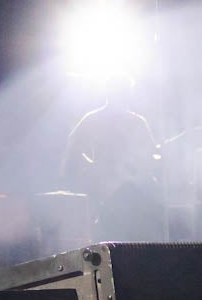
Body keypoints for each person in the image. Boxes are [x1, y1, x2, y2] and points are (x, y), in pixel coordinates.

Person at [59, 74, 162, 240]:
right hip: (105, 196)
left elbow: (151, 155)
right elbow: (73, 152)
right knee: (109, 240)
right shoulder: (94, 120)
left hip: (130, 193)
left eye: (123, 90)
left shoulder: (136, 122)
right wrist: (91, 172)